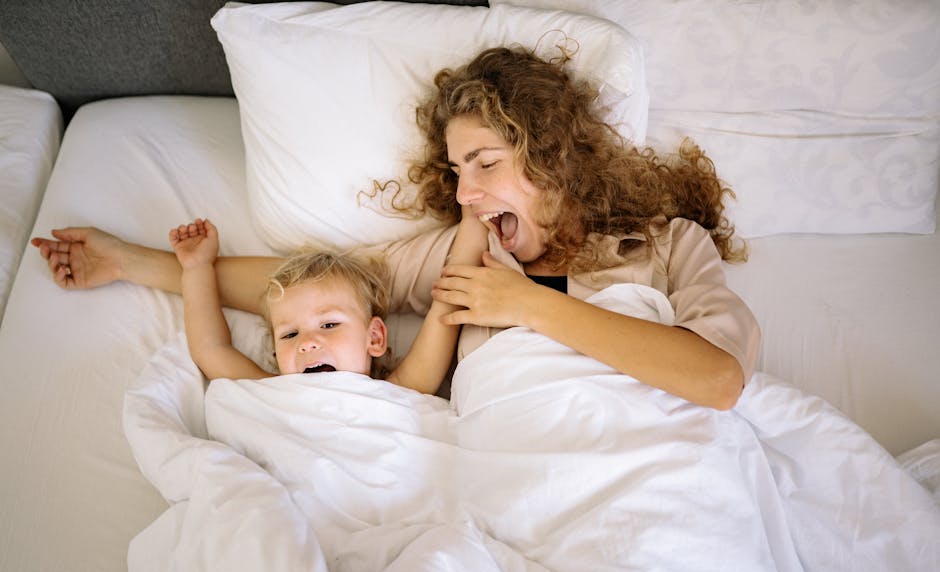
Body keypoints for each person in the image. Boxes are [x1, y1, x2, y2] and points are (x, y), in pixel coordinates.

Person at [31, 45, 759, 410]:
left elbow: (718, 378)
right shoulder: (461, 252)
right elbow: (307, 290)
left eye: (484, 163)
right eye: (456, 172)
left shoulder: (667, 246)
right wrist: (136, 262)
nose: (466, 193)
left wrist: (530, 306)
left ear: (551, 156)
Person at [168, 216, 487, 395]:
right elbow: (211, 349)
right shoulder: (273, 391)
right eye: (290, 335)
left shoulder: (399, 392)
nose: (307, 343)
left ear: (374, 338)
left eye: (329, 325)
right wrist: (196, 268)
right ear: (276, 354)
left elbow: (445, 308)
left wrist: (475, 220)